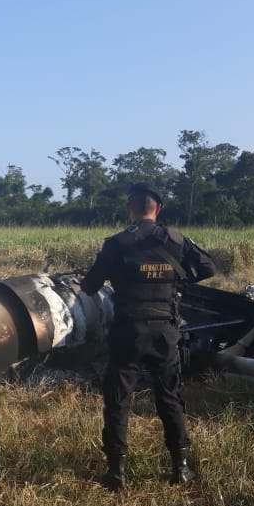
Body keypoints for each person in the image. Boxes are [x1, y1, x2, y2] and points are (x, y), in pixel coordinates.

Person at [80, 182, 217, 489]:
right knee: (169, 397)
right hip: (165, 331)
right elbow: (208, 266)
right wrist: (179, 278)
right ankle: (180, 469)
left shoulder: (116, 243)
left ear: (130, 208)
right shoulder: (176, 240)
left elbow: (89, 287)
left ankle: (117, 473)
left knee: (118, 400)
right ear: (158, 209)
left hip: (128, 329)